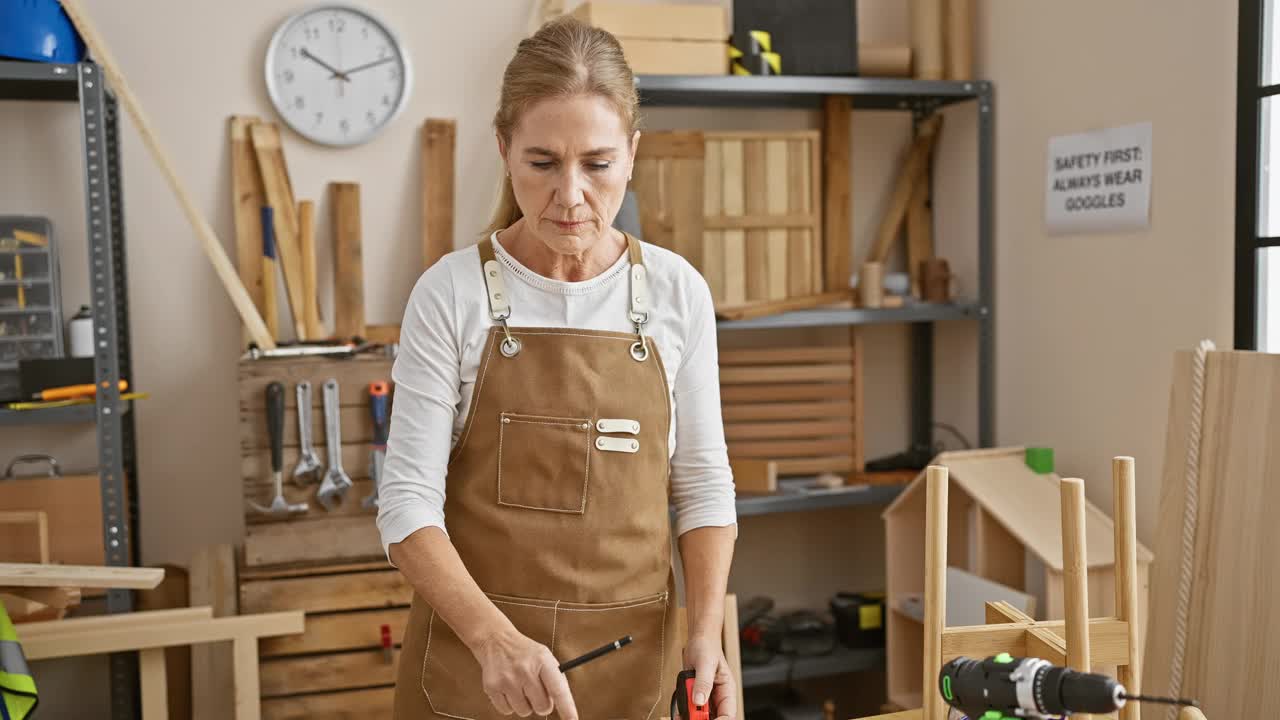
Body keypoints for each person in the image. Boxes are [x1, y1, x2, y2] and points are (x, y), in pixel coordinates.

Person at [378, 15, 739, 720]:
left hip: (632, 668)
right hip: (476, 672)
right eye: (542, 163)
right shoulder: (451, 294)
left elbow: (702, 486)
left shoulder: (675, 292)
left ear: (632, 154)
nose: (570, 195)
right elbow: (406, 510)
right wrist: (494, 642)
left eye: (597, 164)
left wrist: (706, 635)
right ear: (504, 149)